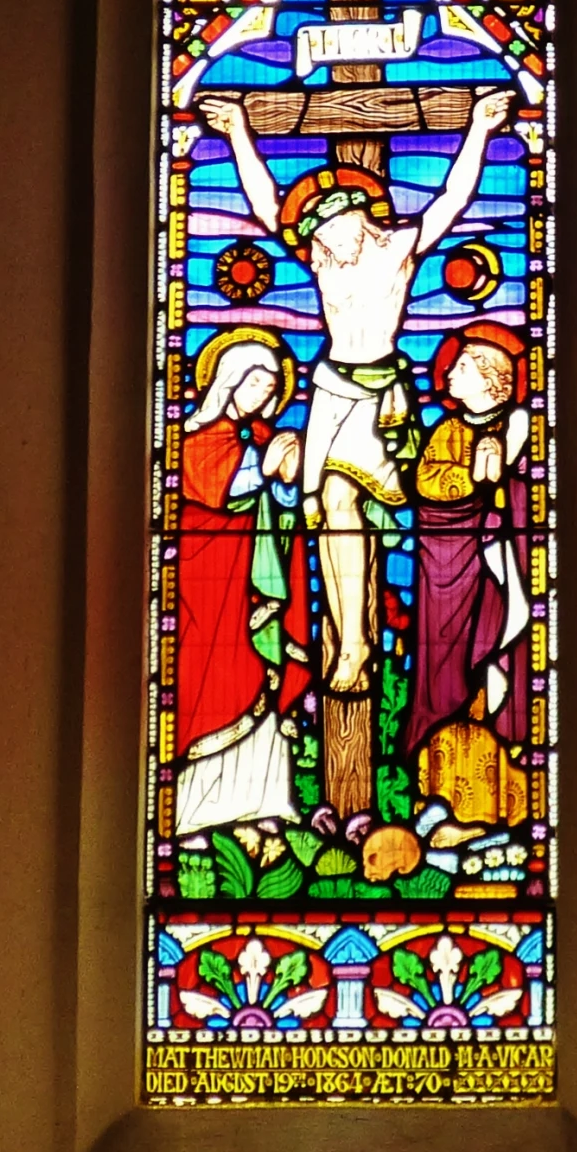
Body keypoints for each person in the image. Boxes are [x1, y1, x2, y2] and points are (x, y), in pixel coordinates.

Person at [200, 90, 513, 714]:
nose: (316, 243)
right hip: (330, 390)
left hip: (382, 395)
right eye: (312, 234)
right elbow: (265, 207)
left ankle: (374, 642)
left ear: (354, 216)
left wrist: (477, 127)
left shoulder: (397, 249)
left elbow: (453, 199)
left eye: (322, 228)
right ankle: (352, 636)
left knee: (365, 510)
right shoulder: (324, 263)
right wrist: (238, 130)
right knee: (331, 510)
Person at [174, 331, 304, 838]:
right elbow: (216, 492)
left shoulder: (257, 438)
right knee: (211, 678)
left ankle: (260, 803)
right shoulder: (198, 438)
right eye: (255, 383)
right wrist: (263, 469)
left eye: (270, 389)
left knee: (257, 676)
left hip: (248, 578)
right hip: (208, 582)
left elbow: (278, 506)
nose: (263, 397)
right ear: (228, 381)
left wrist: (286, 478)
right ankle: (196, 811)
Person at [404, 320, 532, 770]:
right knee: (443, 646)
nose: (450, 374)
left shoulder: (518, 427)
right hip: (444, 553)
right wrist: (470, 479)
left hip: (498, 554)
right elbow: (426, 482)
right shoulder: (447, 430)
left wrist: (502, 474)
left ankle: (499, 726)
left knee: (499, 627)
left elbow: (517, 490)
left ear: (491, 378)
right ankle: (440, 724)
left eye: (462, 366)